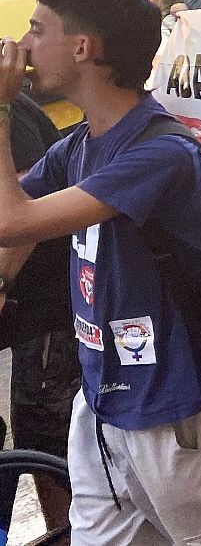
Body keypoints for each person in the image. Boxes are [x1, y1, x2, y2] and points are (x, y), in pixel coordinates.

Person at [0, 0, 201, 544]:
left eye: (36, 29)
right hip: (102, 401)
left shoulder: (161, 151)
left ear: (84, 48)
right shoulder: (78, 145)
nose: (23, 46)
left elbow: (13, 222)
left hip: (166, 406)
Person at [1, 90, 79, 533]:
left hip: (45, 299)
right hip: (23, 300)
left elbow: (27, 199)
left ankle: (74, 535)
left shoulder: (11, 110)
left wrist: (1, 281)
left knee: (47, 434)